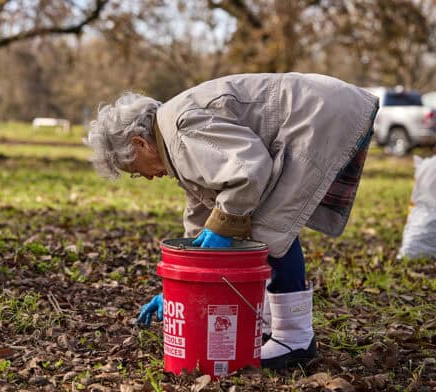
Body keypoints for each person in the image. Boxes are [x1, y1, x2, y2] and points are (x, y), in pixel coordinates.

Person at [84, 73, 378, 369]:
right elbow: (204, 208)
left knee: (267, 225)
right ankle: (269, 327)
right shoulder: (172, 138)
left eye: (135, 169)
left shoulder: (182, 130)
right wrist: (180, 289)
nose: (146, 177)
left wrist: (222, 227)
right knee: (253, 221)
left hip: (320, 113)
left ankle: (295, 338)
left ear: (140, 143)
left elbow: (250, 170)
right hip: (323, 106)